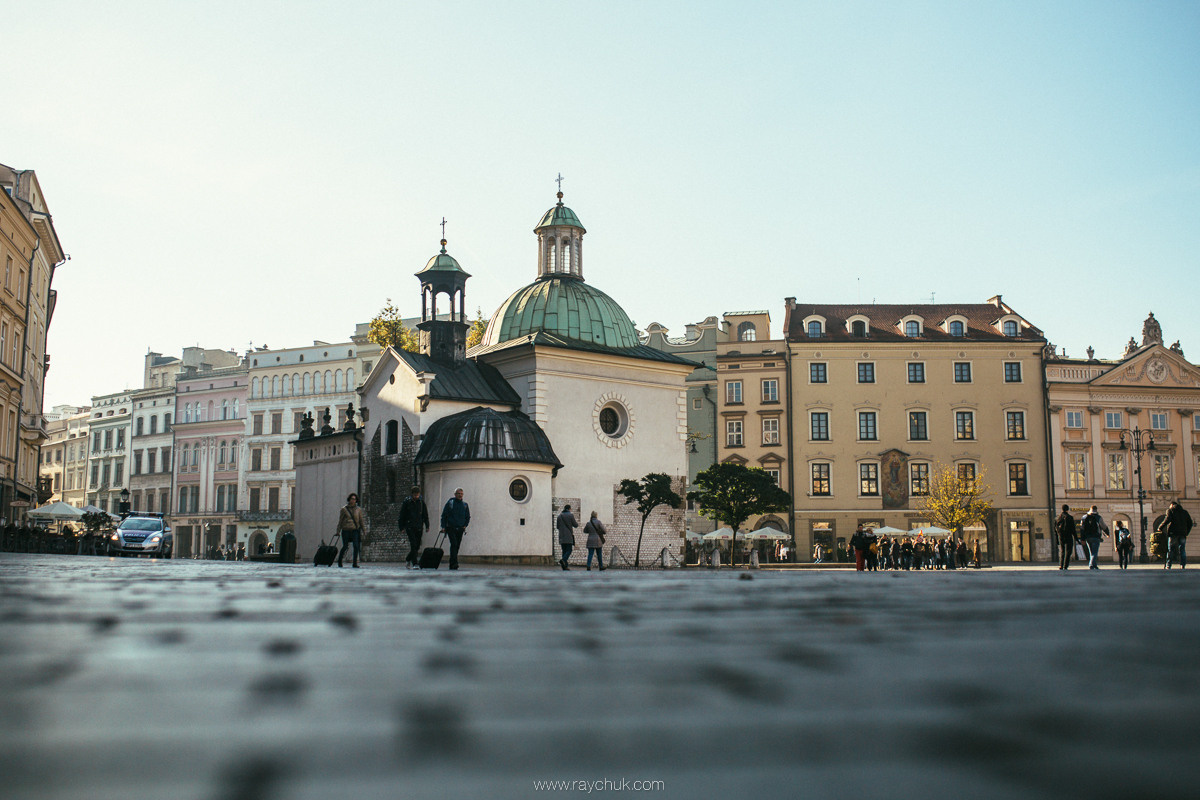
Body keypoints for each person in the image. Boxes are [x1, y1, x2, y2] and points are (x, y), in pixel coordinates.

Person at [399, 485, 430, 570]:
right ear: (412, 494)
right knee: (413, 544)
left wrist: (427, 525)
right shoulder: (407, 502)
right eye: (415, 495)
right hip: (410, 526)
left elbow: (425, 515)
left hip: (419, 526)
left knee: (417, 546)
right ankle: (415, 563)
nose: (416, 496)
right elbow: (402, 515)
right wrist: (401, 527)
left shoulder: (421, 503)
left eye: (417, 495)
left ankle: (408, 559)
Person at [440, 487, 470, 570]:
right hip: (451, 527)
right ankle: (454, 563)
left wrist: (465, 525)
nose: (460, 495)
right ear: (455, 494)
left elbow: (467, 516)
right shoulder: (450, 503)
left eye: (461, 494)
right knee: (454, 544)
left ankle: (452, 562)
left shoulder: (465, 505)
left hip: (460, 528)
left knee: (457, 546)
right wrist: (443, 526)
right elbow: (444, 515)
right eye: (458, 493)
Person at [1159, 499, 1194, 569]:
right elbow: (1190, 523)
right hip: (1183, 534)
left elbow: (1167, 519)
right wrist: (1186, 532)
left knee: (1171, 549)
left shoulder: (1170, 510)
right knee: (1182, 549)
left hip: (1173, 533)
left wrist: (1160, 527)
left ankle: (1168, 565)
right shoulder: (1185, 512)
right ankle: (1183, 565)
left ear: (1171, 505)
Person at [336, 492, 365, 568]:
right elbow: (340, 521)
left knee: (356, 546)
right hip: (346, 530)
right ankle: (340, 561)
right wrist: (338, 531)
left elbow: (361, 520)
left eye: (355, 499)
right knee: (345, 546)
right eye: (352, 499)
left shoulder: (358, 509)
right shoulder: (344, 509)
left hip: (355, 530)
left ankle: (354, 563)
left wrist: (364, 530)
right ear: (349, 499)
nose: (353, 500)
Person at [1079, 505, 1110, 570]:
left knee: (1091, 552)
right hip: (1096, 537)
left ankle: (1094, 565)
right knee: (1094, 552)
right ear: (1096, 510)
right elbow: (1103, 526)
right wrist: (1107, 533)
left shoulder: (1084, 517)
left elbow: (1082, 529)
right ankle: (1091, 565)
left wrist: (1082, 539)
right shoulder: (1098, 517)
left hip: (1087, 537)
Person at [557, 504, 578, 570]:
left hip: (561, 536)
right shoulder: (570, 515)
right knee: (569, 550)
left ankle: (565, 566)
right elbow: (575, 525)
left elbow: (557, 527)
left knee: (564, 550)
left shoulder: (559, 516)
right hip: (568, 536)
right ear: (569, 509)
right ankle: (563, 560)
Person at [1056, 504, 1076, 570]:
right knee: (1068, 551)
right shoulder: (1069, 517)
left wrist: (1058, 536)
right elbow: (1073, 529)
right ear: (1068, 509)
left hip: (1061, 536)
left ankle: (1061, 565)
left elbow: (1055, 528)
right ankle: (1065, 565)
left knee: (1062, 551)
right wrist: (1076, 537)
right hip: (1068, 536)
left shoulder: (1058, 518)